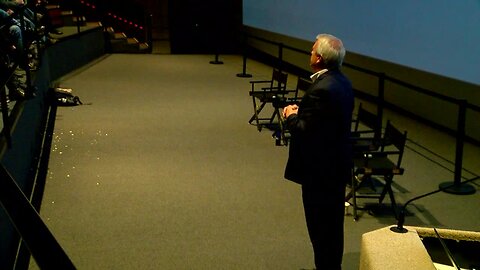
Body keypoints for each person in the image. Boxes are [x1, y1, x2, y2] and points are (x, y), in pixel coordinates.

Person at [282, 33, 354, 270]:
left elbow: (304, 131)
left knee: (321, 229)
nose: (309, 53)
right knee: (332, 229)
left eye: (312, 51)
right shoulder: (342, 82)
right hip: (335, 167)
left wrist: (291, 116)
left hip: (320, 173)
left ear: (320, 58)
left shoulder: (322, 89)